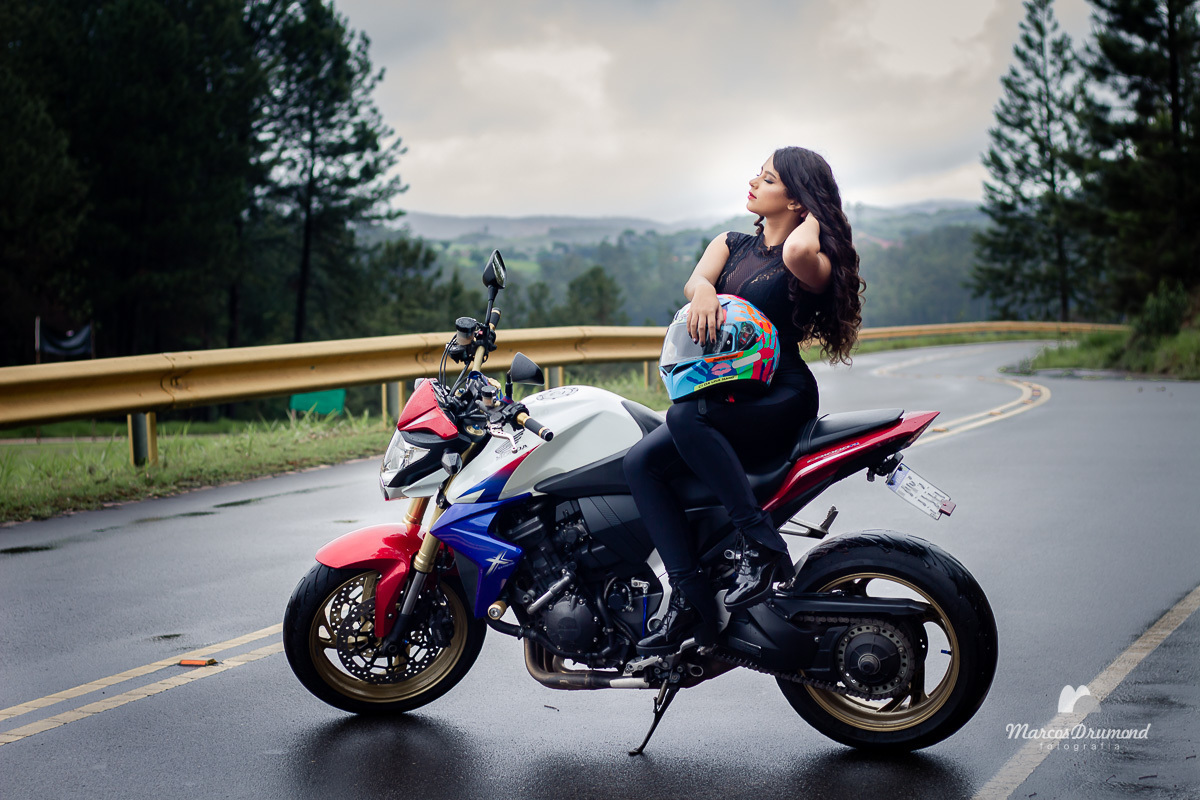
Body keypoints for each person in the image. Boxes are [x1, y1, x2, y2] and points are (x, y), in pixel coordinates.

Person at [626, 146, 864, 654]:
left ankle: (759, 542)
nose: (754, 183)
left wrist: (818, 212)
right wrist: (705, 295)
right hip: (727, 392)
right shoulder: (731, 243)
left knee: (684, 416)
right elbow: (696, 281)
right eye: (758, 174)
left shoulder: (809, 259)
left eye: (770, 179)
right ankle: (690, 599)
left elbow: (798, 253)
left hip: (780, 394)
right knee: (640, 463)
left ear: (797, 202)